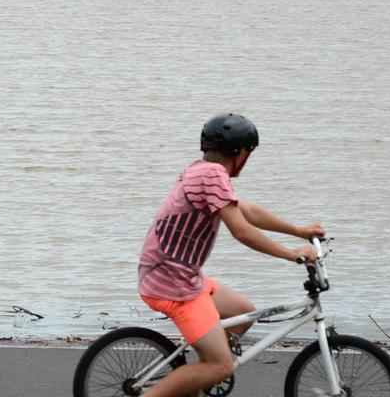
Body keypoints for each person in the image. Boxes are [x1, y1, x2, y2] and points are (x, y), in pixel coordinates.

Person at [136, 114, 323, 397]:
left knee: (241, 313)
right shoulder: (212, 175)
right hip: (173, 284)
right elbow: (242, 231)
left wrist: (298, 230)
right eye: (249, 152)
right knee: (221, 366)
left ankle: (199, 377)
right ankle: (208, 368)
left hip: (176, 273)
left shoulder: (204, 171)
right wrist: (290, 255)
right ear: (239, 153)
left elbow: (244, 211)